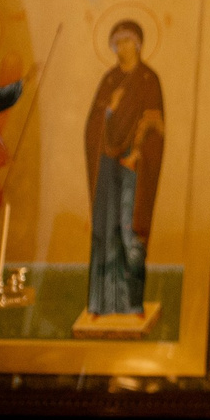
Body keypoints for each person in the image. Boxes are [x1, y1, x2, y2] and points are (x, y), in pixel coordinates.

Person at [84, 20, 165, 321]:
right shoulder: (109, 81)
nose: (122, 48)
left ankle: (132, 304)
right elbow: (93, 125)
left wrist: (139, 153)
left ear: (139, 44)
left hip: (134, 166)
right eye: (117, 42)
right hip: (107, 164)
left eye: (127, 41)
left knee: (130, 231)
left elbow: (157, 124)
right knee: (105, 230)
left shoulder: (148, 79)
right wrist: (108, 109)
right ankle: (99, 305)